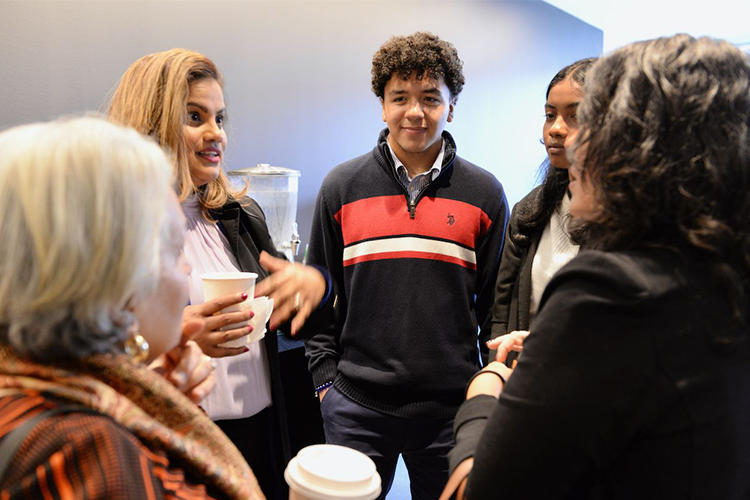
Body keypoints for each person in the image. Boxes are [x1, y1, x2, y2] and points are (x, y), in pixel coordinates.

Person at [444, 34, 750, 499]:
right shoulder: (718, 273)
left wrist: (485, 391)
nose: (565, 138)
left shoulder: (612, 290)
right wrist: (563, 345)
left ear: (644, 148)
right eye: (552, 116)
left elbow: (479, 488)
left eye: (591, 122)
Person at [108, 49, 332, 499]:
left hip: (264, 433)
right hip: (177, 439)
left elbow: (286, 319)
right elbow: (88, 353)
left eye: (220, 118)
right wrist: (176, 336)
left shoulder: (239, 215)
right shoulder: (117, 225)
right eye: (195, 117)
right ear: (151, 125)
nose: (217, 135)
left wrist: (314, 287)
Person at [0, 117, 264, 499]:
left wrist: (154, 405)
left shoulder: (35, 388)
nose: (187, 269)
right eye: (175, 252)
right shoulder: (85, 452)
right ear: (116, 278)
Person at [305, 32, 508, 499]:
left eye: (430, 98)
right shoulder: (341, 187)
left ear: (451, 107)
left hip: (449, 412)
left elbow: (496, 305)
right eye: (400, 97)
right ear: (382, 105)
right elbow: (318, 292)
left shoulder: (485, 194)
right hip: (355, 404)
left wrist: (487, 389)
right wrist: (324, 384)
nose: (414, 111)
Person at [490, 58, 596, 361]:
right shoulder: (530, 209)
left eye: (575, 116)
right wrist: (498, 368)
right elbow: (502, 309)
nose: (556, 129)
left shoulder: (625, 216)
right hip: (525, 376)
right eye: (550, 115)